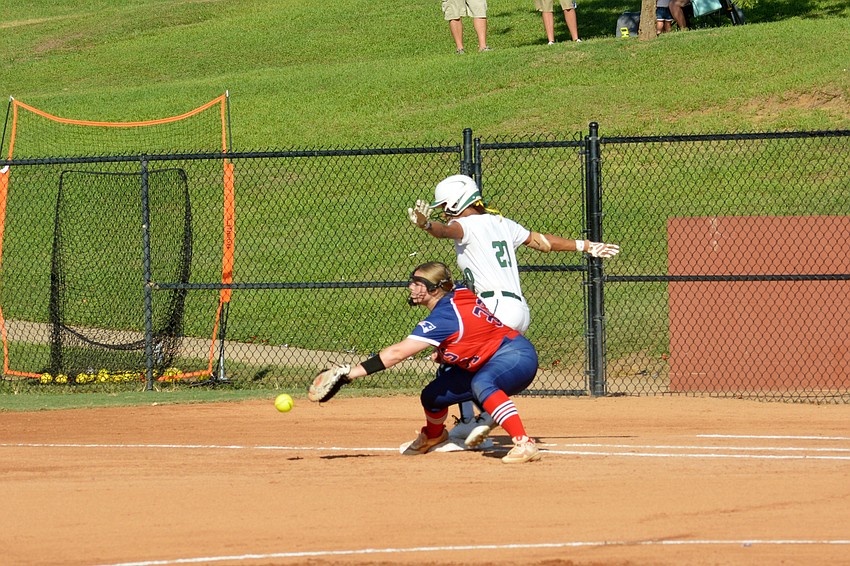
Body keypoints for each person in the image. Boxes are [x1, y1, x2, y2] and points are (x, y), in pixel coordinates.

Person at [407, 174, 620, 446]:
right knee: (478, 367)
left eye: (445, 206)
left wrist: (426, 225)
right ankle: (481, 417)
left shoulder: (467, 224)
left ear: (456, 203)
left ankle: (474, 422)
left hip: (492, 306)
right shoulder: (500, 222)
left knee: (454, 361)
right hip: (518, 308)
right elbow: (542, 242)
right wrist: (585, 245)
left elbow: (445, 231)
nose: (445, 213)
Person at [309, 261, 542, 463]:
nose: (411, 287)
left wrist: (350, 372)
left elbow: (397, 353)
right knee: (433, 396)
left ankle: (524, 443)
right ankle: (434, 436)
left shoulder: (443, 317)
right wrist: (448, 350)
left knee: (483, 382)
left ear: (434, 289)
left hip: (515, 356)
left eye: (418, 283)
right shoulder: (458, 295)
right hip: (487, 360)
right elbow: (469, 331)